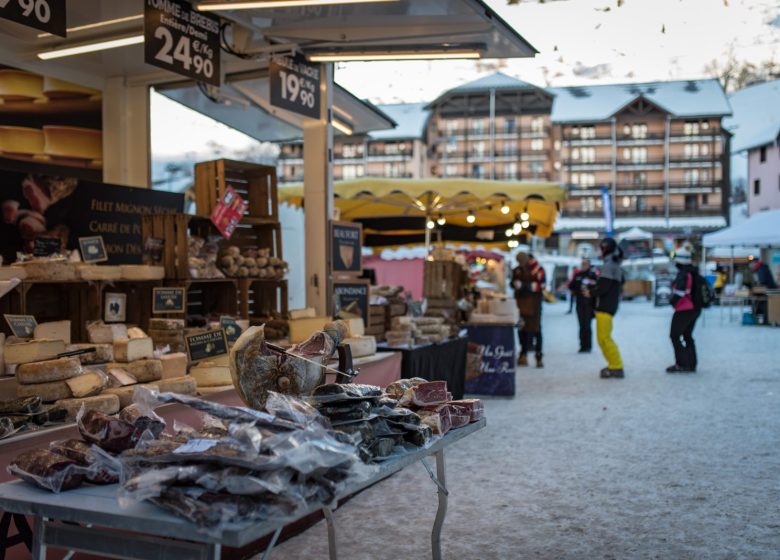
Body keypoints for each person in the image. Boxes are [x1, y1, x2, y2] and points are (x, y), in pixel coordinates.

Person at [590, 237, 625, 378]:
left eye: (601, 248)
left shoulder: (609, 264)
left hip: (606, 306)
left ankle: (616, 366)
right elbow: (620, 281)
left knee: (604, 338)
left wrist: (591, 291)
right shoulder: (613, 263)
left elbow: (604, 287)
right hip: (608, 305)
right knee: (602, 338)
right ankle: (614, 364)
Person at [667, 247, 700, 373]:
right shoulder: (693, 272)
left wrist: (672, 302)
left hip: (684, 309)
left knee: (675, 336)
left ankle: (682, 364)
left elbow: (680, 292)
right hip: (695, 308)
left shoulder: (683, 274)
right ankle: (691, 363)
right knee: (687, 335)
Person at [512, 252, 546, 368]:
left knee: (536, 329)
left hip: (534, 305)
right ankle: (523, 354)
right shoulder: (518, 270)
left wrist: (523, 286)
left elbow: (540, 286)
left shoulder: (538, 269)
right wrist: (516, 285)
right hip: (521, 305)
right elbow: (514, 282)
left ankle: (538, 355)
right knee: (522, 329)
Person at [570, 258, 598, 353]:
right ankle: (582, 345)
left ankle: (588, 346)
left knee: (587, 325)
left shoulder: (592, 275)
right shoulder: (578, 275)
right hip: (579, 303)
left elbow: (597, 287)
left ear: (589, 265)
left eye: (585, 264)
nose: (583, 265)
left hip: (589, 304)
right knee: (581, 325)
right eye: (582, 264)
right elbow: (571, 286)